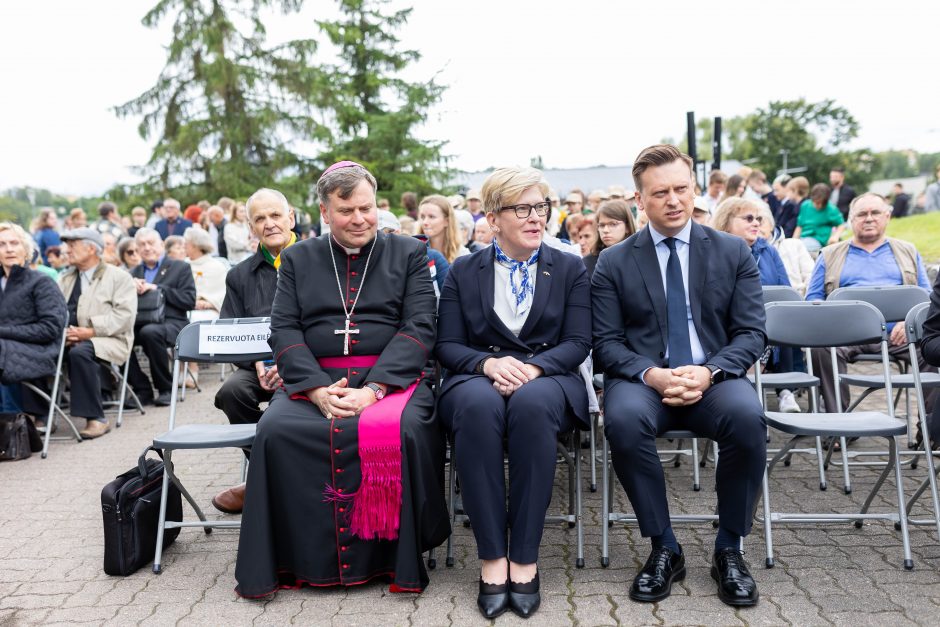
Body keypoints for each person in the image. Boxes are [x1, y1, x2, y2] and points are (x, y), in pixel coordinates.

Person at [234, 161, 449, 598]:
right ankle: (294, 559)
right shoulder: (298, 258)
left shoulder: (408, 252)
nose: (359, 219)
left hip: (393, 379)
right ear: (324, 211)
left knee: (407, 431)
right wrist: (313, 388)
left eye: (366, 209)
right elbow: (284, 328)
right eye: (347, 210)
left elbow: (421, 326)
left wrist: (374, 390)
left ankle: (394, 559)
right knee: (274, 430)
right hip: (317, 379)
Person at [592, 144, 766, 607]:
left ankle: (729, 547)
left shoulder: (732, 251)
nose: (673, 200)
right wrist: (652, 374)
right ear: (639, 200)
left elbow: (751, 333)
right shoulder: (614, 261)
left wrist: (709, 371)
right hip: (643, 381)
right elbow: (605, 343)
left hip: (715, 379)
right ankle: (664, 546)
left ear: (693, 189)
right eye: (660, 192)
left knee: (749, 421)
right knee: (623, 423)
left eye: (681, 189)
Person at [436, 166, 591, 619]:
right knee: (478, 408)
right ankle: (492, 558)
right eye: (521, 208)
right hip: (476, 375)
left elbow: (579, 341)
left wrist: (534, 367)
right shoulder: (464, 271)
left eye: (540, 207)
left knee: (531, 406)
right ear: (492, 216)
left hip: (548, 377)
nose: (535, 217)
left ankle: (524, 556)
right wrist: (486, 363)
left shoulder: (568, 267)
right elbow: (446, 344)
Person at [806, 193, 934, 415]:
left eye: (875, 213)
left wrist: (909, 321)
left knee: (934, 349)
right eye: (861, 214)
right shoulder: (828, 254)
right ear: (851, 220)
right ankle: (837, 423)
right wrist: (835, 323)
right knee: (820, 348)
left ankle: (933, 430)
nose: (869, 218)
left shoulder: (908, 251)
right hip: (845, 334)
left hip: (899, 334)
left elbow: (927, 297)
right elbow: (813, 299)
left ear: (887, 216)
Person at [211, 188, 297, 515]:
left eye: (275, 215)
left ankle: (263, 480)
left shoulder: (319, 260)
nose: (269, 223)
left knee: (287, 405)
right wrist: (257, 361)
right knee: (231, 393)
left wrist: (290, 363)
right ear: (250, 227)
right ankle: (273, 472)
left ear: (291, 217)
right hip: (258, 364)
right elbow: (228, 331)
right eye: (259, 218)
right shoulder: (240, 275)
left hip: (309, 363)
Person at [23, 228, 137, 438]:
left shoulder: (119, 277)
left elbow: (124, 316)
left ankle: (96, 418)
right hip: (67, 338)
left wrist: (90, 331)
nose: (66, 251)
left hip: (109, 339)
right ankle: (41, 413)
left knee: (80, 352)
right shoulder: (65, 278)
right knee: (29, 351)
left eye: (72, 246)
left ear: (92, 248)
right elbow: (52, 310)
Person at [712, 197, 800, 413]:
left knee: (780, 317)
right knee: (756, 326)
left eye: (759, 219)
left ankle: (781, 391)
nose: (756, 223)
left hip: (764, 322)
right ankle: (753, 391)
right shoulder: (714, 251)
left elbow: (785, 291)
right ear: (726, 221)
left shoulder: (768, 251)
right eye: (748, 218)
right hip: (726, 324)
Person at [0, 223, 67, 417]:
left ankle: (10, 425)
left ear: (26, 249)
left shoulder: (41, 281)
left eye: (14, 243)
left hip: (39, 350)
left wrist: (3, 332)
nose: (9, 249)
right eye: (2, 244)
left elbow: (50, 329)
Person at [126, 228, 196, 406]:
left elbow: (189, 300)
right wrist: (128, 289)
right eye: (142, 245)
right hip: (139, 322)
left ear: (161, 245)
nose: (147, 248)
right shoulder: (131, 273)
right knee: (117, 337)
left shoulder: (180, 267)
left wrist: (157, 288)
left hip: (173, 321)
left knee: (149, 333)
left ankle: (165, 387)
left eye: (151, 243)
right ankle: (142, 388)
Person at [584, 199, 637, 280]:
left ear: (627, 227)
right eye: (601, 225)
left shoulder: (640, 258)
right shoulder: (588, 262)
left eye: (613, 224)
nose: (605, 230)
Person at [792, 183, 845, 253]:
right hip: (803, 239)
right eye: (817, 202)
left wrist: (835, 236)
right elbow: (799, 226)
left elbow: (841, 225)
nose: (819, 205)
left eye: (822, 203)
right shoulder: (805, 205)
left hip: (818, 240)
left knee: (802, 248)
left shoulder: (831, 209)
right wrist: (793, 241)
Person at [418, 194, 469, 263]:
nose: (425, 222)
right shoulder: (414, 250)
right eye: (422, 217)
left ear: (447, 221)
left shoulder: (462, 255)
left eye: (431, 217)